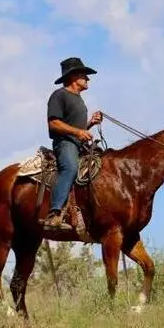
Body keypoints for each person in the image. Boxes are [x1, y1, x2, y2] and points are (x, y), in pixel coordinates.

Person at [43, 57, 103, 230]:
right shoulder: (59, 95)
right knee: (70, 168)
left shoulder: (79, 100)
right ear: (73, 77)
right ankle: (54, 213)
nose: (87, 79)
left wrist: (90, 123)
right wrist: (78, 132)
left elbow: (77, 128)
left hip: (78, 143)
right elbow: (53, 123)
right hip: (64, 144)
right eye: (84, 75)